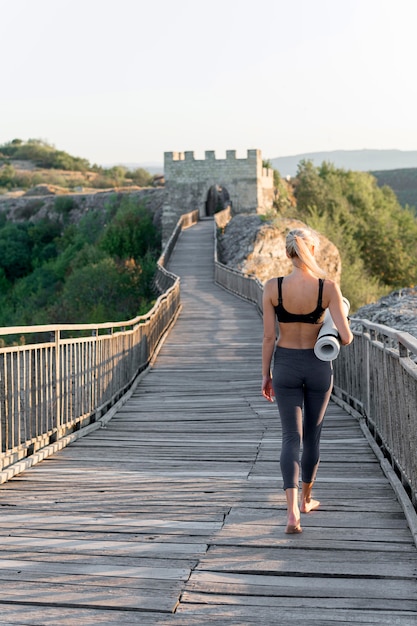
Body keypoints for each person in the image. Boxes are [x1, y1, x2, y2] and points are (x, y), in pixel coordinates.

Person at [262, 228, 353, 534]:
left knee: (290, 437)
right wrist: (332, 322)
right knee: (311, 437)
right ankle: (306, 500)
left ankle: (290, 513)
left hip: (285, 365)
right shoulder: (327, 287)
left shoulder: (272, 287)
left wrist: (266, 374)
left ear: (288, 253)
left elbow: (268, 337)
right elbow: (347, 337)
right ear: (312, 251)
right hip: (318, 367)